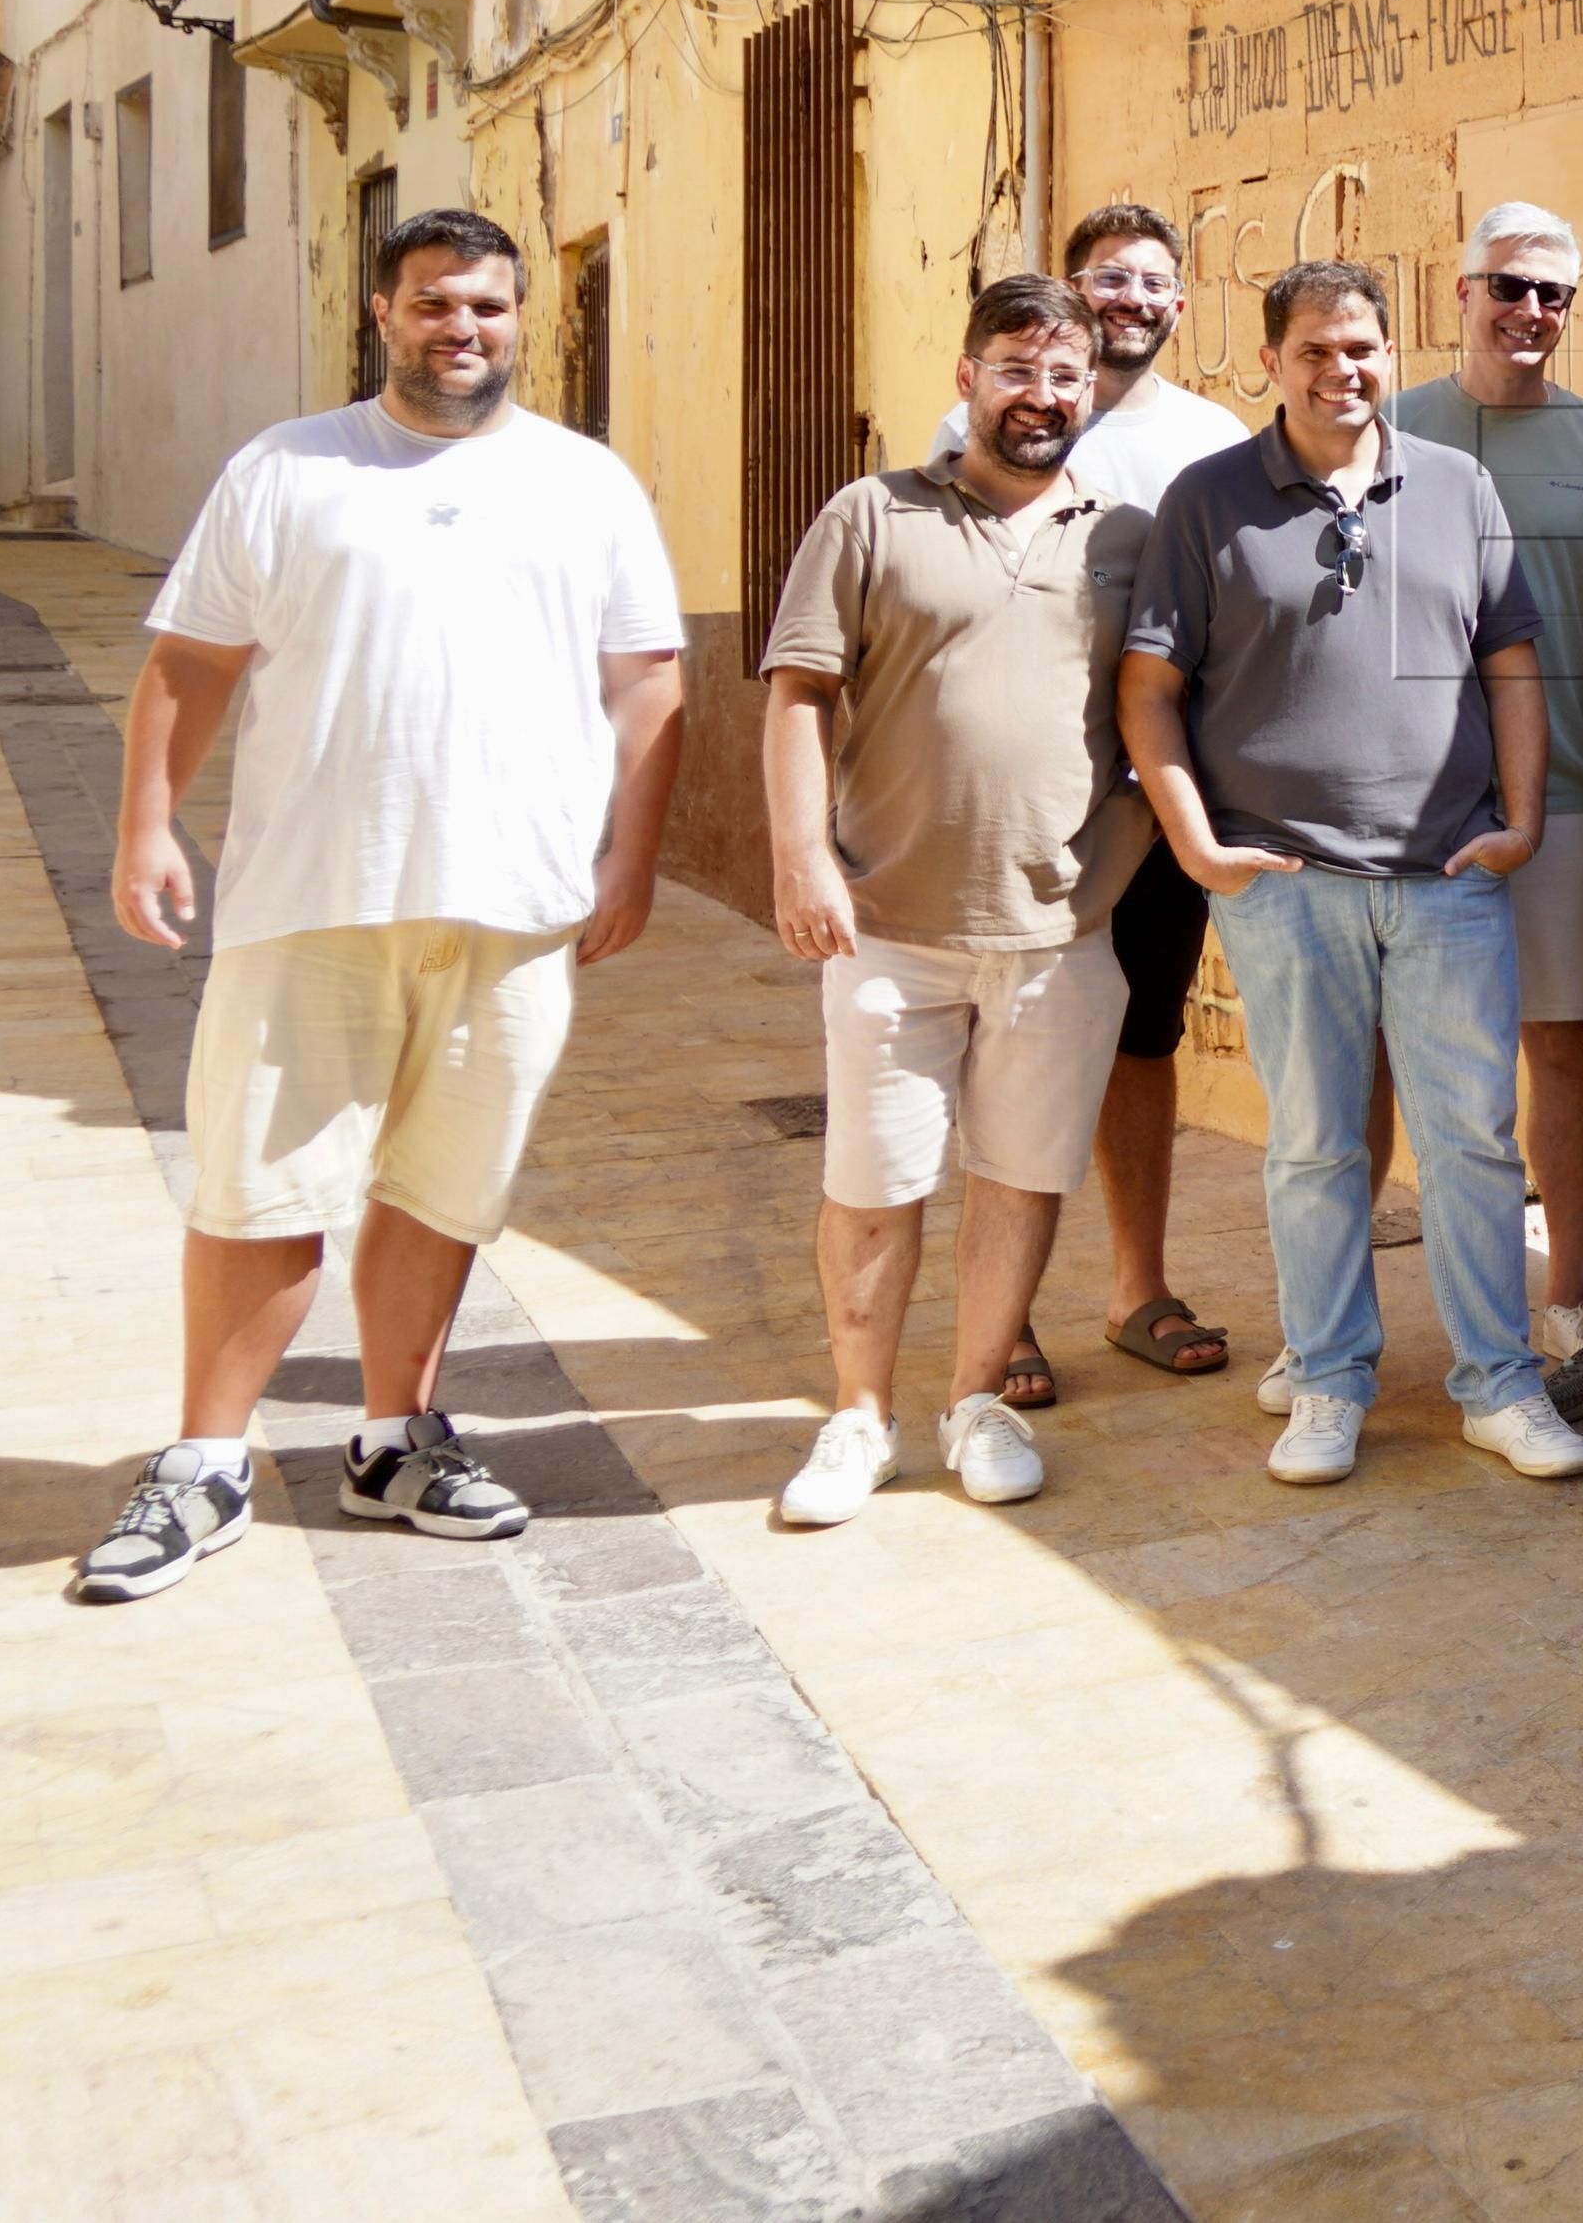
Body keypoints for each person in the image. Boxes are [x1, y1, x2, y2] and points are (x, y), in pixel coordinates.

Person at [82, 208, 685, 1602]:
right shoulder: (288, 468)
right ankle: (204, 1463)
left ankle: (396, 1438)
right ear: (383, 314)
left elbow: (648, 680)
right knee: (259, 1188)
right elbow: (192, 663)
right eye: (432, 303)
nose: (460, 328)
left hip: (512, 906)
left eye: (486, 306)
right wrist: (145, 826)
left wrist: (632, 857)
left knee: (443, 1185)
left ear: (520, 319)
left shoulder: (585, 483)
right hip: (312, 894)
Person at [1118, 257, 1583, 1489]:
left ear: (1391, 353)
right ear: (1270, 363)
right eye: (1315, 351)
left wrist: (1520, 823)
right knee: (1317, 1147)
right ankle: (1328, 1379)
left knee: (1474, 1143)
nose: (1342, 370)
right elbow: (1150, 689)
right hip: (1287, 881)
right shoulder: (1208, 500)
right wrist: (1195, 845)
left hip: (1448, 875)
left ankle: (1499, 1383)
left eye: (1361, 348)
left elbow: (1511, 662)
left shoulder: (1457, 485)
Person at [758, 273, 1159, 1525]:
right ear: (967, 377)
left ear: (1088, 389)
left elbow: (1164, 709)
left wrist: (1132, 849)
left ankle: (977, 1400)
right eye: (1016, 369)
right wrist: (800, 857)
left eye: (1064, 374)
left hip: (1059, 930)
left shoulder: (1129, 538)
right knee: (873, 1180)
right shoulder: (870, 515)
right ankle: (858, 1417)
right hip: (889, 927)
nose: (1041, 395)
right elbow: (799, 693)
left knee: (1023, 1175)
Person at [934, 200, 1250, 1391]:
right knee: (1006, 1041)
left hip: (1158, 799)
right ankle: (1003, 1314)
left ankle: (1136, 1289)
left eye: (1152, 283)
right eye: (1109, 279)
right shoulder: (985, 424)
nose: (1132, 300)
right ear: (1070, 292)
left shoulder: (1213, 440)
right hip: (1027, 802)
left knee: (1141, 1038)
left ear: (1181, 302)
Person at [1391, 204, 1583, 1416]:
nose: (1528, 310)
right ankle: (1364, 1318)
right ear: (1460, 291)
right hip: (1419, 809)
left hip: (1572, 802)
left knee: (1560, 1055)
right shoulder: (1390, 428)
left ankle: (1562, 1295)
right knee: (1411, 1068)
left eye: (1553, 293)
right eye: (1507, 285)